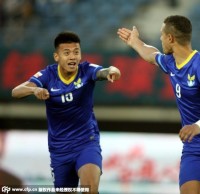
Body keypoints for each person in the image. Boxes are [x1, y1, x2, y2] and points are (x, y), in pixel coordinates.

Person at [117, 15, 200, 194]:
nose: (160, 38)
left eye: (162, 34)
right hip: (194, 147)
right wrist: (135, 42)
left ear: (170, 38)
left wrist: (198, 126)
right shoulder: (171, 62)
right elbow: (150, 55)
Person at [11, 31, 121, 193]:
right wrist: (34, 91)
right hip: (60, 149)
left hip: (86, 143)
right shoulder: (47, 75)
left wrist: (113, 71)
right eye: (67, 53)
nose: (73, 57)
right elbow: (16, 91)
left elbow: (104, 71)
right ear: (57, 57)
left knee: (89, 189)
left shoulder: (86, 70)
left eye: (76, 52)